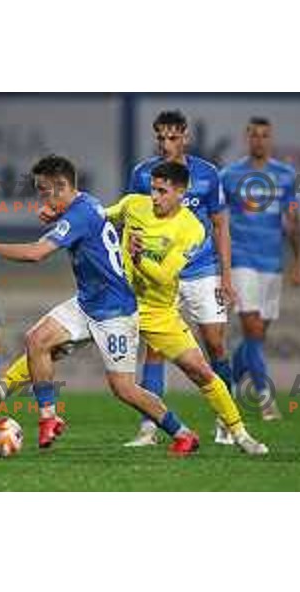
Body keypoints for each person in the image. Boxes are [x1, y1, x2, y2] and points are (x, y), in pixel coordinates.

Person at [0, 155, 200, 455]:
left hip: (115, 312)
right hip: (88, 302)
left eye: (45, 191)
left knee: (123, 389)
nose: (42, 199)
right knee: (37, 340)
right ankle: (49, 417)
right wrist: (57, 215)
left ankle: (182, 432)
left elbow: (37, 253)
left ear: (62, 187)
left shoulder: (79, 215)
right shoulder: (84, 203)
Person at [106, 161, 267, 455]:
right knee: (47, 340)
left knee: (201, 370)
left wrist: (139, 258)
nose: (154, 196)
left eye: (162, 191)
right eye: (153, 189)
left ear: (181, 192)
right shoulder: (133, 204)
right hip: (115, 304)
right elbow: (100, 220)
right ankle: (13, 402)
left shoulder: (192, 229)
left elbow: (166, 276)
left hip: (158, 311)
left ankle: (240, 434)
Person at [126, 110, 235, 446]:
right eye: (160, 137)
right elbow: (134, 219)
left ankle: (226, 422)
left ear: (185, 137)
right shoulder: (142, 174)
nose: (165, 143)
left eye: (172, 137)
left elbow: (219, 225)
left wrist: (226, 276)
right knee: (155, 349)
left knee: (215, 344)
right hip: (160, 275)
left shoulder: (207, 174)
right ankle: (149, 427)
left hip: (202, 271)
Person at [221, 117, 300, 424]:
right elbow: (216, 219)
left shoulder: (284, 176)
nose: (259, 140)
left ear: (271, 139)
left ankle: (226, 385)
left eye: (264, 135)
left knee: (257, 338)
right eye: (254, 135)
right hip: (242, 261)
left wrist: (299, 262)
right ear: (247, 139)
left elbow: (294, 223)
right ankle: (266, 400)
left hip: (273, 264)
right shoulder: (229, 176)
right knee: (253, 331)